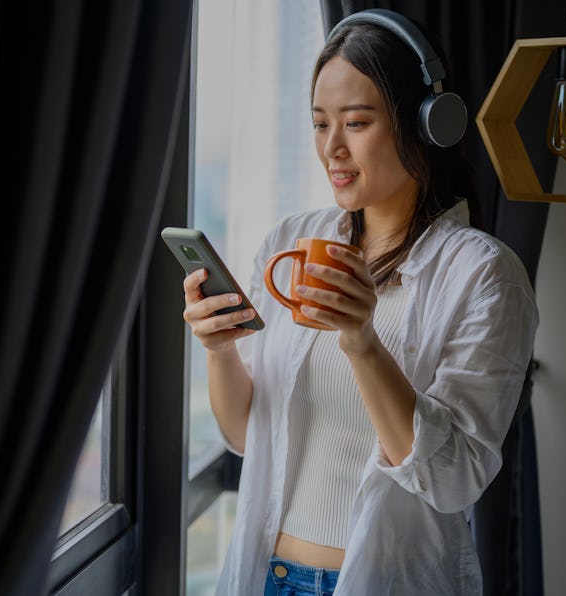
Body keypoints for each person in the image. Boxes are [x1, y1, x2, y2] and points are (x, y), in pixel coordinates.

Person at [182, 9, 538, 596]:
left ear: (426, 125)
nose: (332, 148)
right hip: (266, 577)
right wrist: (221, 351)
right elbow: (249, 436)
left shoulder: (486, 276)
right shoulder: (290, 242)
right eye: (320, 124)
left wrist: (362, 341)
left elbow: (454, 481)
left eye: (356, 122)